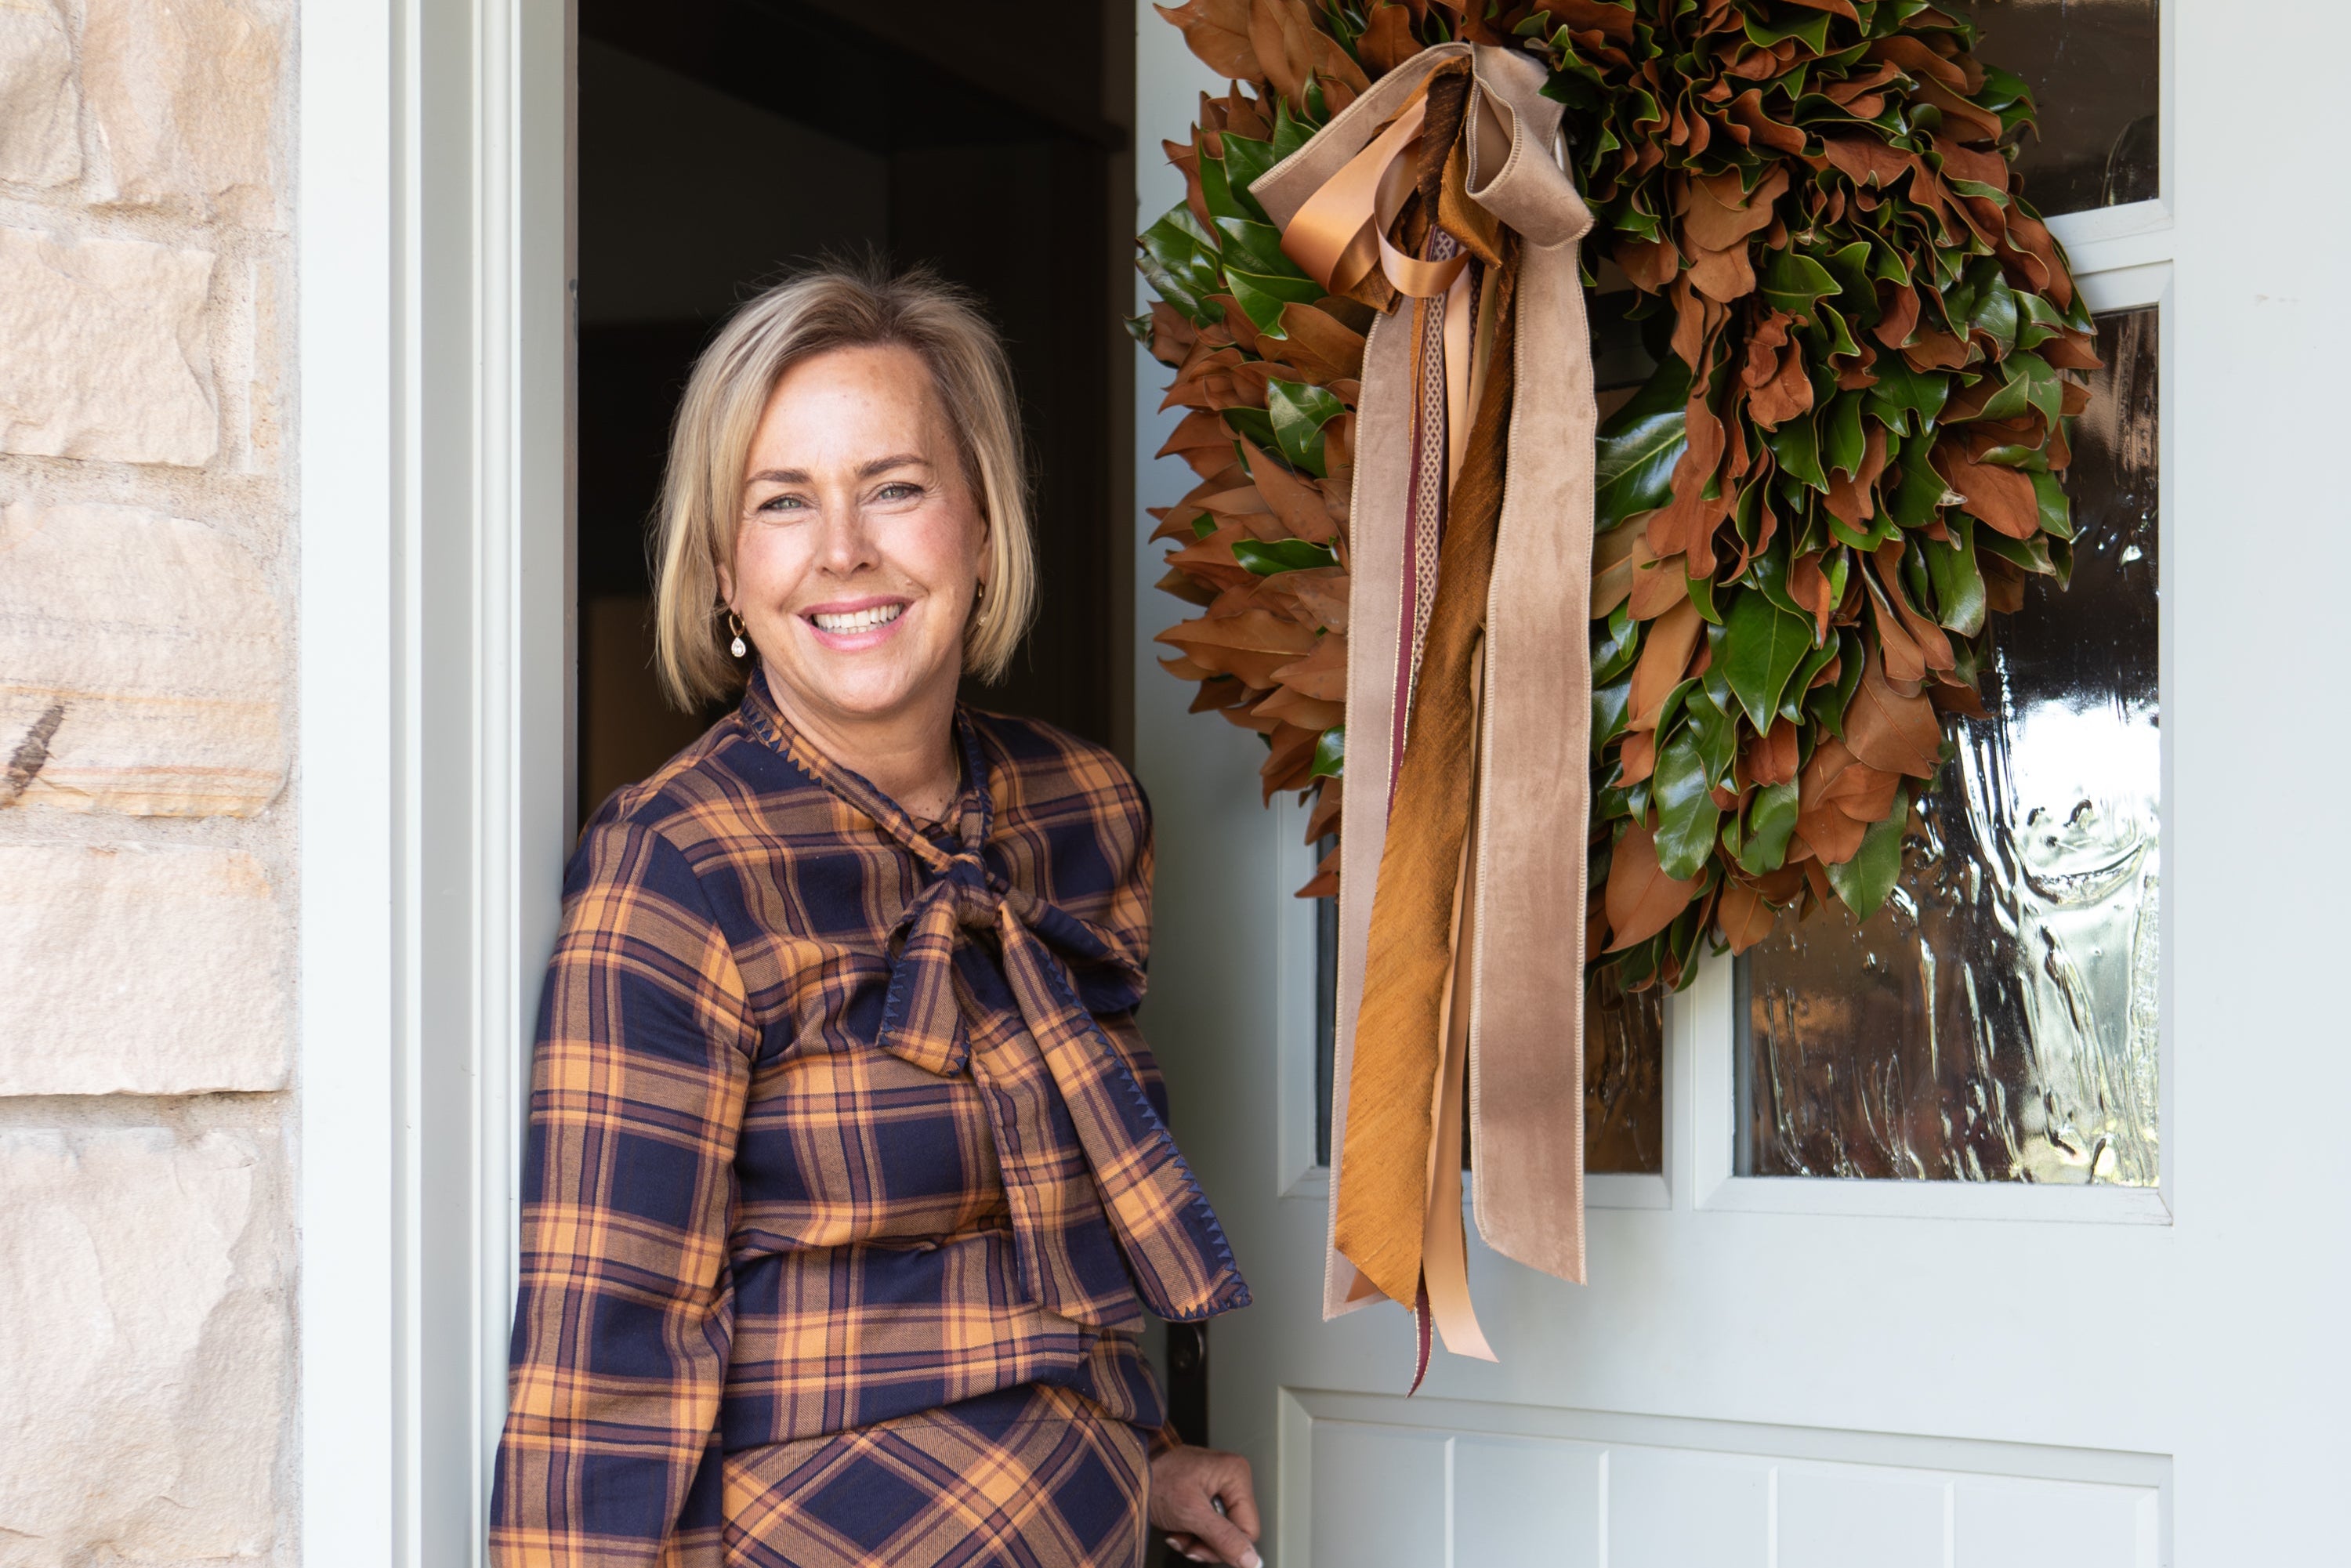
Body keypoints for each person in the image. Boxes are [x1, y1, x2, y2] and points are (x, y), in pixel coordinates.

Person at [487, 263, 1262, 1568]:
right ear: (728, 573)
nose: (843, 548)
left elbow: (1051, 1248)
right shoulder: (674, 867)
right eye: (782, 503)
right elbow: (603, 1381)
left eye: (894, 487)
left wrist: (1146, 1462)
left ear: (982, 525)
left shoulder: (1082, 811)